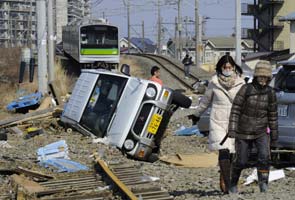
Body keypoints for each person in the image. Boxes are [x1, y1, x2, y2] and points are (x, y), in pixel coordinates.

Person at [188, 55, 245, 194]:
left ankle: (225, 175)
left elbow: (245, 102)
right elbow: (206, 101)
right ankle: (229, 185)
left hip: (234, 122)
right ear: (220, 67)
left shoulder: (241, 83)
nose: (227, 69)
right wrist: (197, 114)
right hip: (218, 121)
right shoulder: (214, 82)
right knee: (223, 150)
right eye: (225, 67)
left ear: (234, 68)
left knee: (232, 154)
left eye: (230, 67)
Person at [228, 60, 278, 193]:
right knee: (242, 161)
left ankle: (263, 183)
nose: (263, 79)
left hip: (261, 131)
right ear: (256, 76)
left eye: (266, 77)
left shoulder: (270, 93)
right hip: (243, 131)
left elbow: (272, 115)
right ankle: (233, 182)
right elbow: (235, 109)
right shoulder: (246, 89)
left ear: (269, 78)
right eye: (261, 76)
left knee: (264, 157)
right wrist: (232, 128)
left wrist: (274, 134)